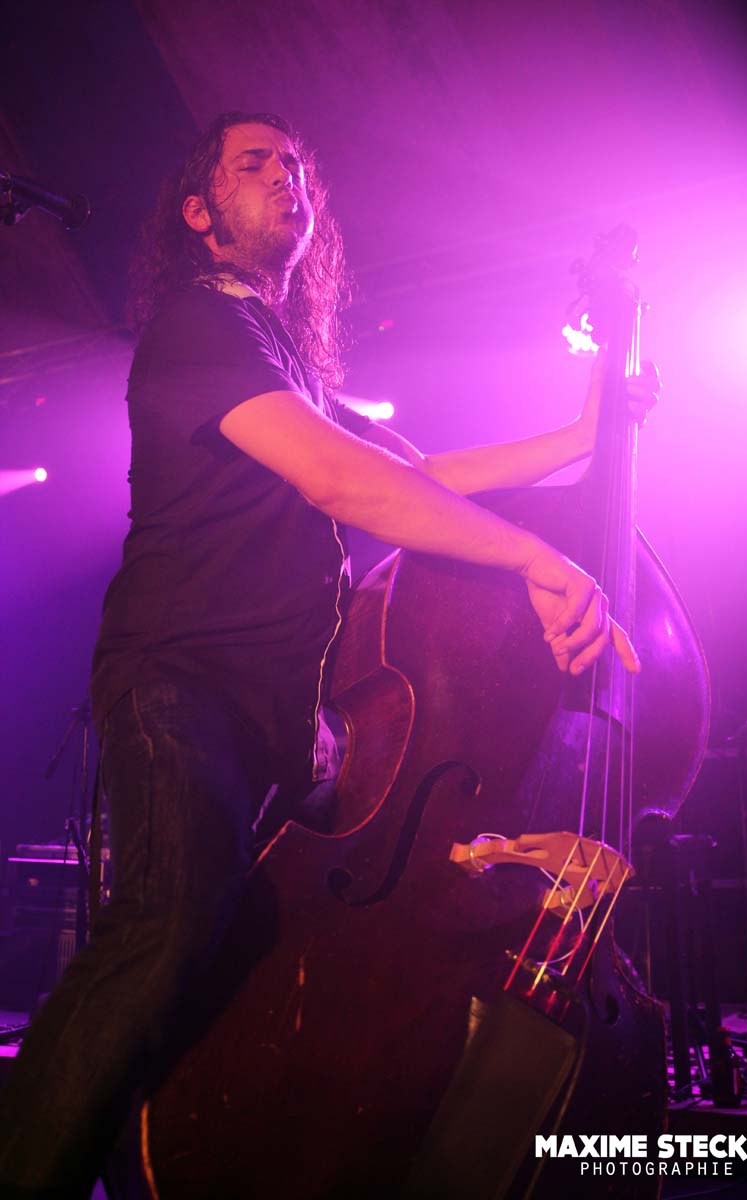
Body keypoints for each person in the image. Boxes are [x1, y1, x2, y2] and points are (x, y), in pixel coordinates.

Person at [0, 111, 648, 1199]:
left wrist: (588, 432)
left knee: (250, 946)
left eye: (296, 164)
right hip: (183, 688)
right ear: (199, 213)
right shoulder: (199, 328)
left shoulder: (282, 358)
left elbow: (417, 472)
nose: (286, 176)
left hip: (283, 719)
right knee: (166, 927)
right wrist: (537, 558)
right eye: (254, 164)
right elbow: (347, 483)